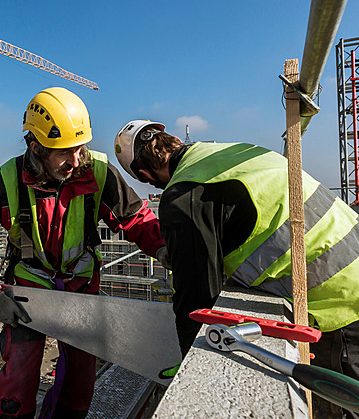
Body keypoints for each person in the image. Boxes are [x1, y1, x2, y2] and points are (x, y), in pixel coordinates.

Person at [114, 119, 359, 419]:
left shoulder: (183, 195)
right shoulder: (232, 154)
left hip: (339, 304)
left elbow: (197, 298)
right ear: (174, 139)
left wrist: (192, 361)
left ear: (143, 173)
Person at [0, 89, 169, 419]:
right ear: (36, 147)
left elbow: (135, 218)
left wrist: (164, 249)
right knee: (18, 385)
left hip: (81, 290)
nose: (76, 159)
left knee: (79, 385)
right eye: (64, 151)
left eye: (80, 147)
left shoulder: (96, 172)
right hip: (28, 294)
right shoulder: (6, 182)